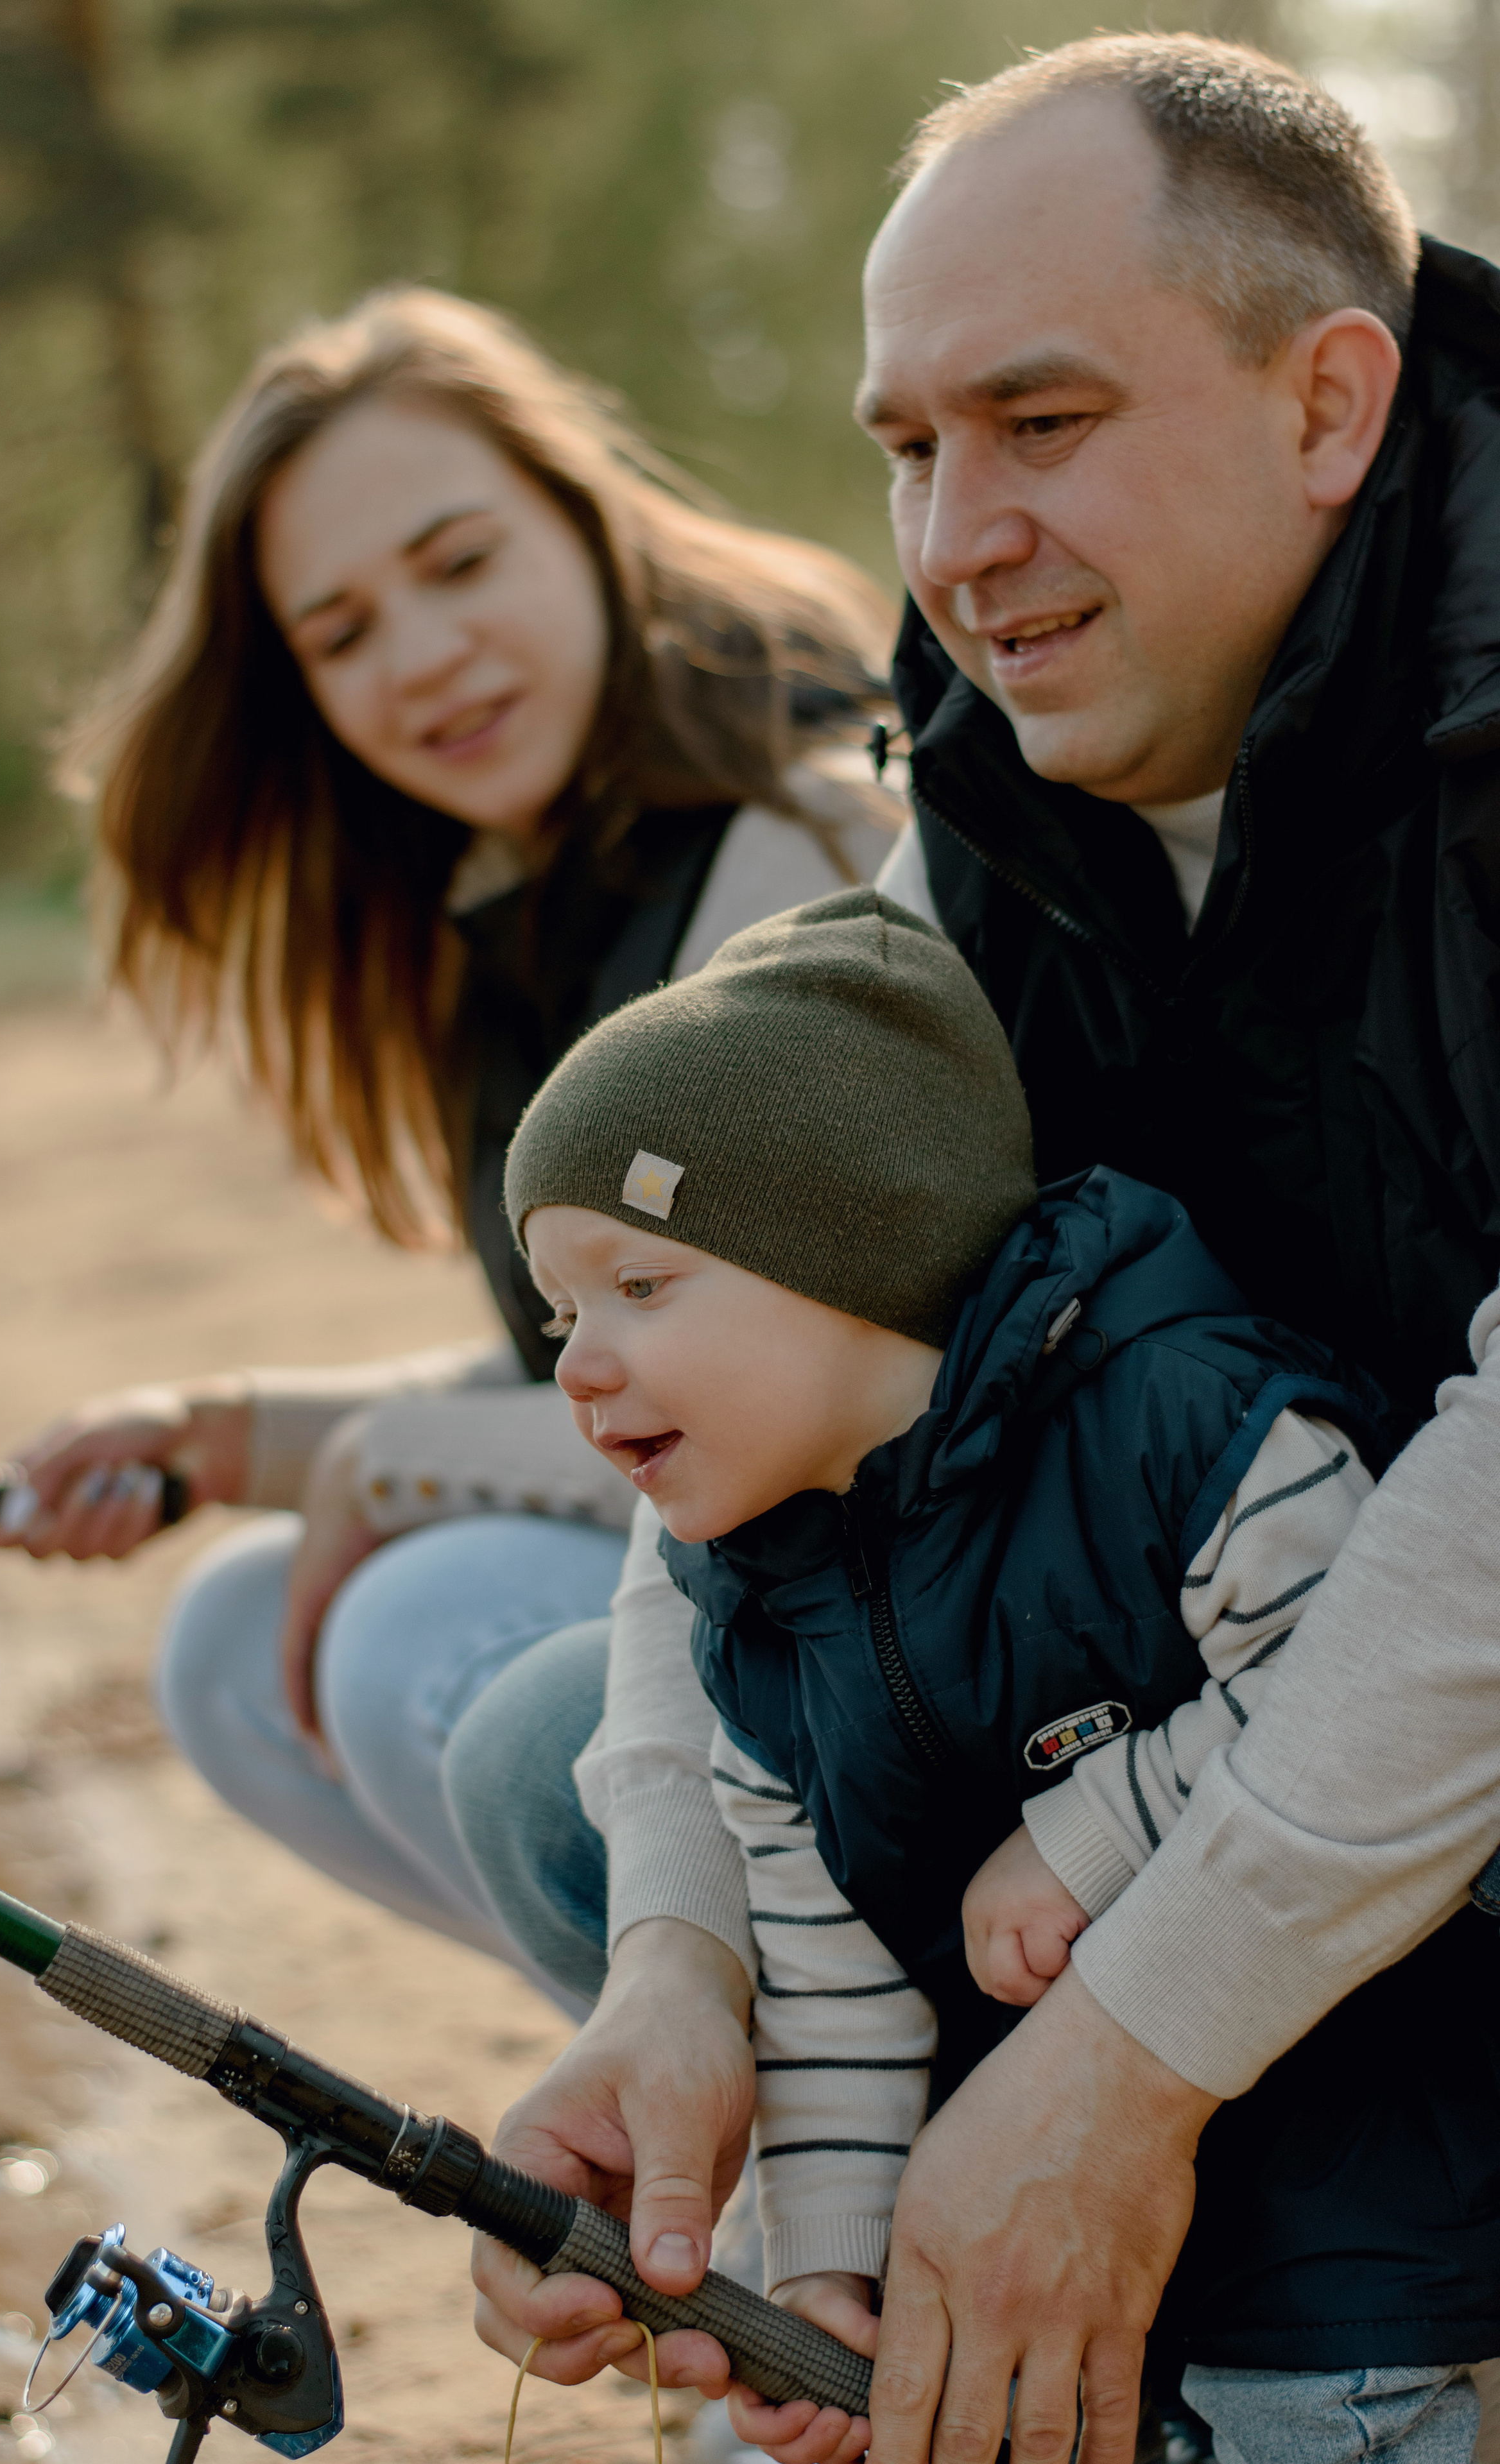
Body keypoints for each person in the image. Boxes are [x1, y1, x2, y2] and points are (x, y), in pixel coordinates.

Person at [451, 35, 1500, 2464]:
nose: (955, 541)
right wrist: (682, 1974)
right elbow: (761, 1395)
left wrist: (1131, 2062)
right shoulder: (990, 799)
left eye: (1042, 422)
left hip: (1403, 1673)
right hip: (1242, 1717)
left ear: (1331, 403)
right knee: (569, 1777)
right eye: (909, 449)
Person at [496, 883, 1492, 2464]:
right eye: (557, 1312)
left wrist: (1094, 1830)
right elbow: (816, 1970)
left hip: (1351, 2139)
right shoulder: (758, 1602)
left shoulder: (1184, 1418)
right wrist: (828, 2271)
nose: (576, 1362)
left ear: (856, 1251)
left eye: (639, 1287)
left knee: (1308, 2417)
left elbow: (1346, 1681)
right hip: (1063, 2135)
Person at [0, 285, 897, 1997]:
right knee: (238, 1641)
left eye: (461, 563)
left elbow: (781, 1409)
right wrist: (224, 1435)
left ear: (583, 516)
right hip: (760, 1579)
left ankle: (799, 2135)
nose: (419, 659)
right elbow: (608, 1361)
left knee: (412, 1619)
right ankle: (707, 2098)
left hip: (918, 1611)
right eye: (339, 634)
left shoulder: (799, 845)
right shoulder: (524, 895)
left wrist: (381, 1466)